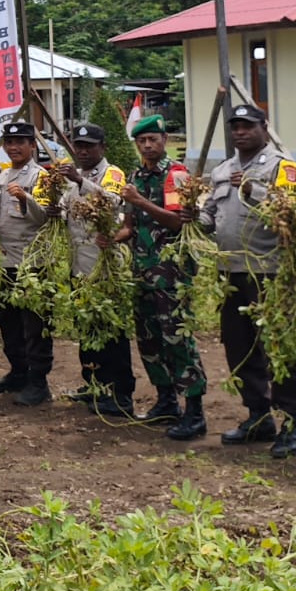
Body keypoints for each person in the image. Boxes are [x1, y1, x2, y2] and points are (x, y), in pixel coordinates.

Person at [201, 104, 296, 459]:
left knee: (277, 350)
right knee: (239, 345)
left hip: (270, 272)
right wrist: (192, 215)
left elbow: (291, 213)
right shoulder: (222, 170)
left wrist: (252, 190)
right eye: (235, 127)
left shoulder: (282, 167)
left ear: (264, 127)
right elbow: (210, 217)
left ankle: (293, 425)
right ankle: (258, 416)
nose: (240, 132)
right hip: (231, 272)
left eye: (248, 126)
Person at [119, 115, 208, 441]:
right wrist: (110, 238)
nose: (146, 145)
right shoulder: (135, 176)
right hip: (142, 272)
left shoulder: (176, 175)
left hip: (171, 272)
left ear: (164, 139)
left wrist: (140, 201)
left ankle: (195, 411)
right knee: (149, 338)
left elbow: (176, 223)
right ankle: (166, 401)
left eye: (152, 139)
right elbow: (129, 225)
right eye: (141, 141)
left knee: (177, 340)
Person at [50, 123, 134, 418]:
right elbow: (65, 209)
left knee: (112, 333)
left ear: (103, 148)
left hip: (105, 268)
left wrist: (80, 181)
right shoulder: (75, 178)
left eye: (89, 146)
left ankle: (121, 394)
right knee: (87, 332)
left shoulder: (112, 174)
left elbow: (112, 203)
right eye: (79, 146)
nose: (83, 151)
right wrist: (54, 209)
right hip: (80, 267)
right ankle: (94, 385)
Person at [0, 121, 55, 406]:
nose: (13, 148)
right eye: (9, 143)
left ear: (32, 146)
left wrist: (25, 197)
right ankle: (18, 372)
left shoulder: (40, 177)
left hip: (34, 264)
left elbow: (43, 218)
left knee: (34, 324)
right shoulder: (3, 175)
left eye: (20, 142)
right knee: (7, 319)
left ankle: (39, 383)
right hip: (7, 261)